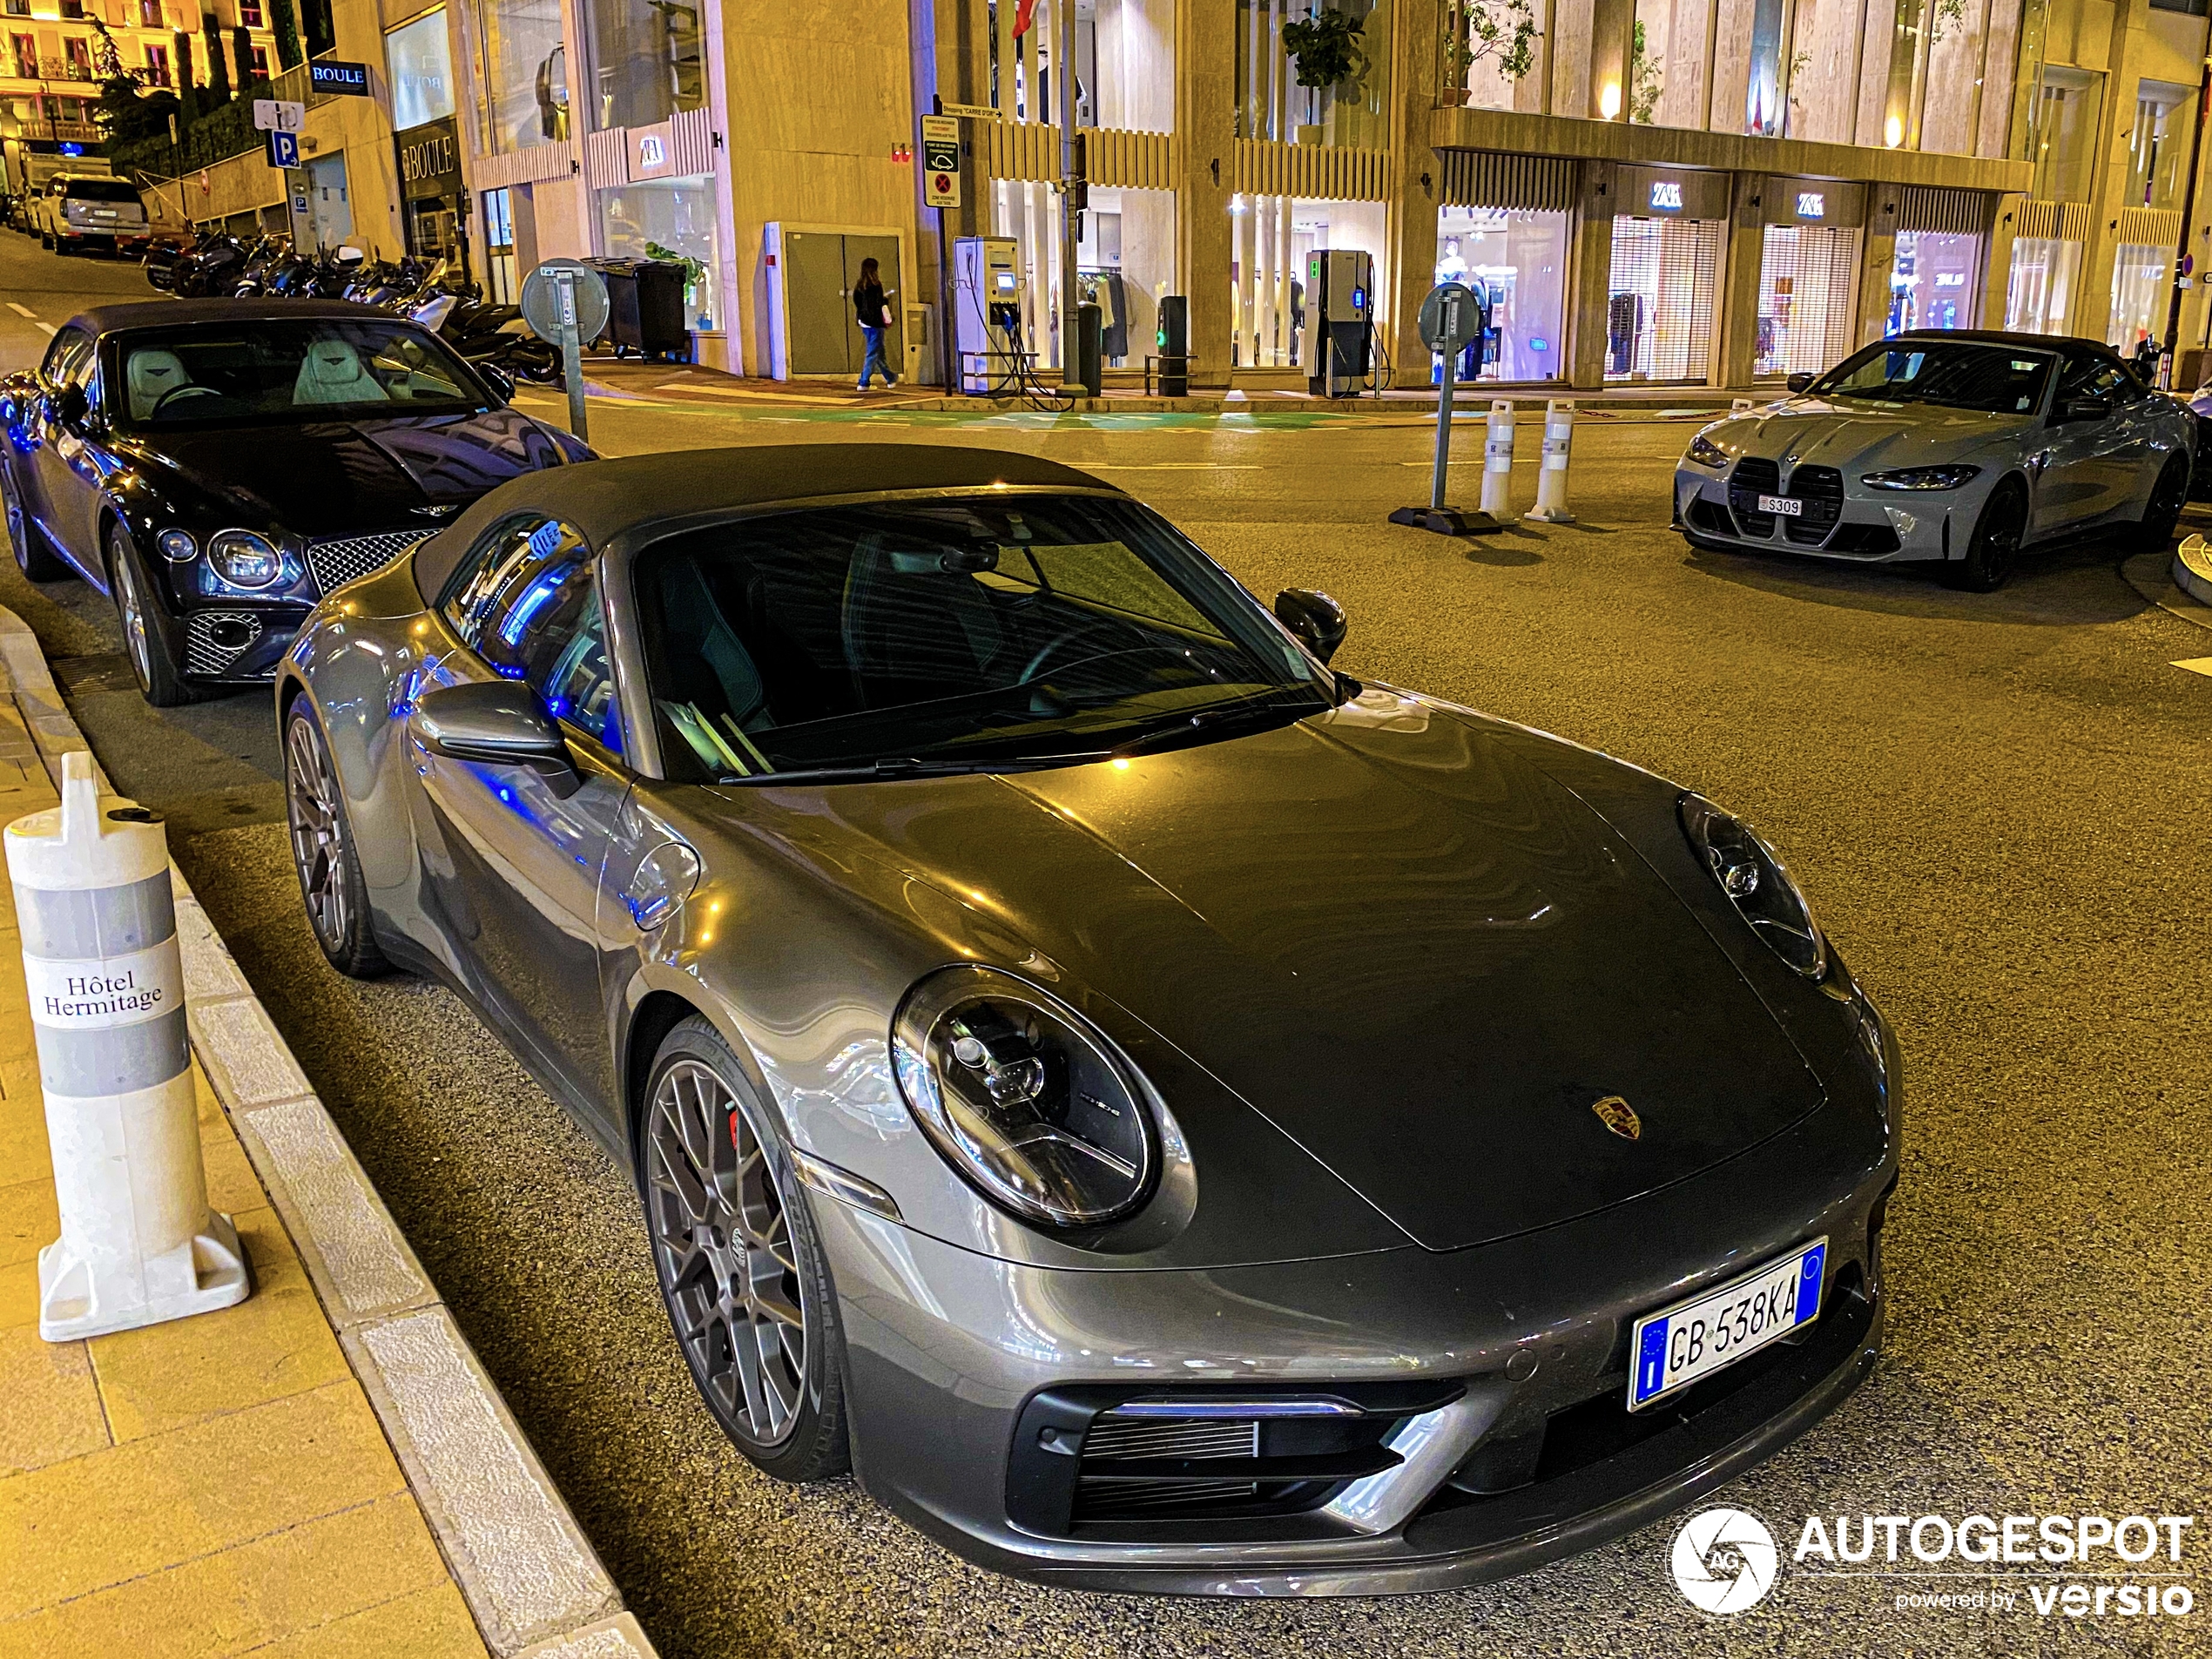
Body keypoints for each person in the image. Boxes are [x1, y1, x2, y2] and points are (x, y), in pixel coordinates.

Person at [853, 257, 897, 390]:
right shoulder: (876, 285)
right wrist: (885, 301)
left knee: (879, 352)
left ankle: (890, 378)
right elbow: (878, 304)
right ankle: (863, 382)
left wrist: (862, 315)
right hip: (875, 324)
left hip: (865, 322)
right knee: (872, 353)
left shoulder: (860, 285)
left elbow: (857, 302)